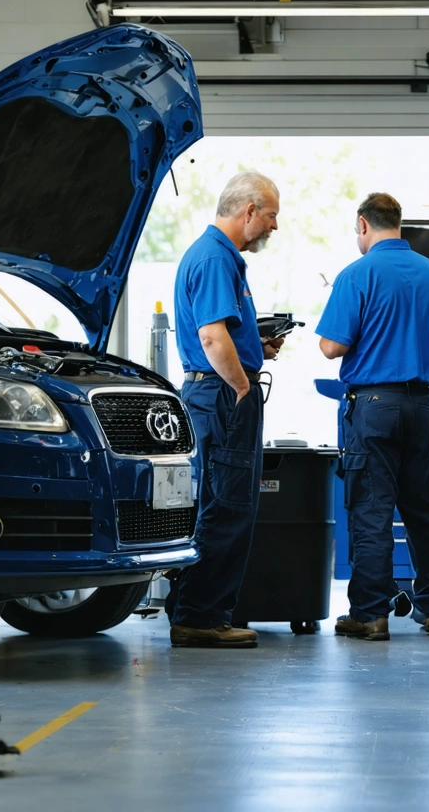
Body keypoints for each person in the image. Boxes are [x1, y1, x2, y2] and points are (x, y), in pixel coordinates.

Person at [317, 192, 429, 641]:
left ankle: (371, 614)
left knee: (371, 511)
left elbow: (331, 346)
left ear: (363, 225)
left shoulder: (356, 275)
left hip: (374, 407)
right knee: (424, 508)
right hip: (422, 406)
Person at [165, 171, 283, 649]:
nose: (275, 226)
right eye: (272, 214)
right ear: (249, 210)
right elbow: (212, 337)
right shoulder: (217, 258)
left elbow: (222, 334)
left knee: (214, 503)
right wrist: (240, 386)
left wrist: (257, 348)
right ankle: (201, 616)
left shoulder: (213, 255)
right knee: (228, 505)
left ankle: (192, 609)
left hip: (210, 393)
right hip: (220, 395)